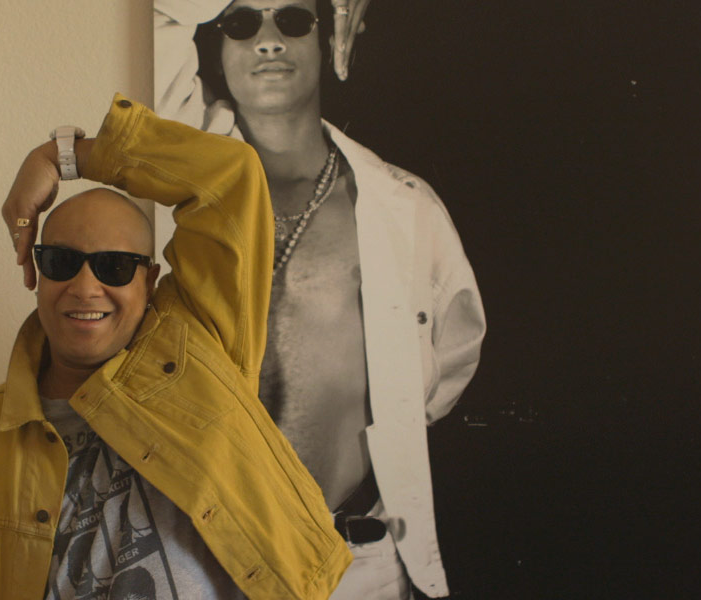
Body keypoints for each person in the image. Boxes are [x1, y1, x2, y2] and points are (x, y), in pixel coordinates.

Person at [0, 94, 351, 600]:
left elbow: (229, 176)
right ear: (36, 272)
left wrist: (62, 157)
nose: (85, 287)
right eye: (62, 262)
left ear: (149, 282)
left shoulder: (203, 350)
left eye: (114, 267)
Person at [152, 0, 487, 597]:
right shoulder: (179, 171)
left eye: (293, 19)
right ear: (217, 50)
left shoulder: (404, 208)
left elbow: (448, 361)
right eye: (241, 23)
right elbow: (158, 16)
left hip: (356, 566)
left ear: (331, 40)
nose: (268, 40)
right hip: (203, 559)